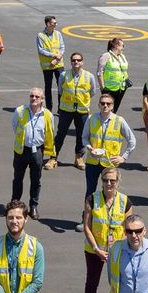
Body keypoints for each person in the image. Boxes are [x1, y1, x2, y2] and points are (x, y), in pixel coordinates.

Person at [82, 169, 131, 293]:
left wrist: (121, 248)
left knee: (121, 285)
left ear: (118, 181)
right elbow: (87, 226)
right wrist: (97, 249)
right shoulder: (92, 199)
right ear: (101, 181)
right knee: (92, 283)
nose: (109, 184)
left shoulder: (125, 202)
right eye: (105, 180)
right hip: (95, 250)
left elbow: (129, 228)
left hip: (117, 252)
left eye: (112, 180)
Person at [9, 88, 54, 220]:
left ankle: (33, 206)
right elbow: (14, 126)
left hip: (37, 151)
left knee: (36, 180)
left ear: (42, 100)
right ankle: (15, 203)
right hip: (21, 150)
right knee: (18, 178)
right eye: (31, 96)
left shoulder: (48, 115)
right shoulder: (20, 111)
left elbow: (50, 131)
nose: (33, 99)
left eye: (36, 97)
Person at [81, 91, 136, 200]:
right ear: (98, 105)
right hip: (92, 161)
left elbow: (132, 140)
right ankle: (87, 215)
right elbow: (84, 137)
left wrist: (123, 157)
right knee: (90, 191)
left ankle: (108, 214)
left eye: (108, 104)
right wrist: (89, 147)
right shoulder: (91, 118)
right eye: (102, 103)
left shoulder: (119, 121)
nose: (105, 106)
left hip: (110, 163)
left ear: (112, 106)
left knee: (110, 191)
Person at [52, 52, 95, 171]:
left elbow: (92, 92)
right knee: (61, 134)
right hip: (66, 109)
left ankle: (79, 157)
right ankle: (53, 157)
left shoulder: (89, 76)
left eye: (78, 60)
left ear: (82, 62)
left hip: (82, 110)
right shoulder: (64, 75)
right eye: (74, 60)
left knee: (82, 135)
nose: (76, 62)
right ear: (70, 62)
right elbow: (60, 90)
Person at [35, 15, 65, 103]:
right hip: (47, 66)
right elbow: (41, 50)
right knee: (48, 87)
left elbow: (62, 47)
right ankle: (49, 107)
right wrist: (54, 55)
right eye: (54, 23)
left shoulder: (58, 34)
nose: (56, 24)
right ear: (48, 24)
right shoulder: (40, 35)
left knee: (61, 85)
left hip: (58, 64)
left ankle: (61, 107)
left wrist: (56, 59)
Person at [97, 37, 131, 112]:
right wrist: (103, 88)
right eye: (122, 46)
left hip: (121, 89)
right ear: (116, 46)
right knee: (107, 110)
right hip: (109, 89)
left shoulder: (122, 56)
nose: (123, 48)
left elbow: (123, 70)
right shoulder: (106, 56)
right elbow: (99, 72)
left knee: (114, 110)